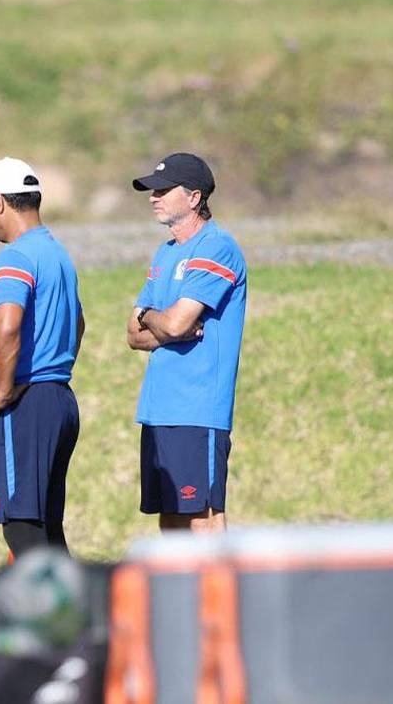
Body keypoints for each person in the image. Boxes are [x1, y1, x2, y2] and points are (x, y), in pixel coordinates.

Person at [0, 157, 85, 558]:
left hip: (25, 402)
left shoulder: (15, 257)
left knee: (22, 529)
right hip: (59, 398)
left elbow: (7, 325)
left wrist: (2, 390)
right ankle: (71, 600)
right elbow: (78, 322)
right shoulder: (57, 253)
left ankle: (49, 603)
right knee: (48, 528)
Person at [127, 153, 247, 533]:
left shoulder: (216, 247)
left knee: (203, 522)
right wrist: (155, 319)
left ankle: (221, 579)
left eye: (163, 190)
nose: (153, 197)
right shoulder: (166, 253)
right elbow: (133, 333)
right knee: (171, 523)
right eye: (152, 190)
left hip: (197, 409)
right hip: (159, 409)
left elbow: (177, 323)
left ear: (194, 197)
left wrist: (154, 318)